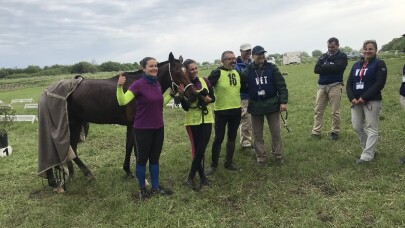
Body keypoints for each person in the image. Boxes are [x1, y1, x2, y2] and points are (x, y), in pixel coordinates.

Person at [116, 57, 173, 199]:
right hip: (142, 130)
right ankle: (142, 190)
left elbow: (159, 103)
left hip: (158, 128)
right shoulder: (138, 84)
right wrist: (119, 87)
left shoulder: (157, 84)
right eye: (151, 66)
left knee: (155, 159)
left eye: (155, 66)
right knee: (142, 160)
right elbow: (122, 101)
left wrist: (172, 94)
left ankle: (155, 187)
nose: (154, 68)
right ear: (144, 69)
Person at [240, 45, 288, 164]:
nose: (261, 56)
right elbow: (240, 85)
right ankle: (260, 156)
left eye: (263, 54)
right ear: (253, 56)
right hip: (256, 105)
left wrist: (283, 102)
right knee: (257, 133)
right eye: (258, 54)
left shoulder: (272, 68)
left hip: (272, 104)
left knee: (276, 132)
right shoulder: (248, 70)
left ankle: (278, 155)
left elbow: (281, 85)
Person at [346, 40, 387, 164]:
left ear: (375, 51)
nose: (368, 51)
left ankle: (367, 155)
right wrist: (352, 97)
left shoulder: (380, 64)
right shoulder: (356, 65)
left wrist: (364, 97)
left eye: (371, 49)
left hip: (371, 101)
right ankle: (369, 149)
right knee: (357, 126)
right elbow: (349, 83)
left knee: (371, 127)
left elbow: (379, 83)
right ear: (362, 50)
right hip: (356, 101)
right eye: (366, 49)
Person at [176, 59, 215, 190]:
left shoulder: (205, 80)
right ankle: (200, 177)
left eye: (195, 68)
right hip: (193, 119)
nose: (194, 71)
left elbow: (213, 98)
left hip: (207, 118)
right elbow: (186, 107)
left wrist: (208, 99)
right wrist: (181, 96)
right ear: (186, 71)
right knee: (198, 149)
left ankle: (192, 177)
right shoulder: (184, 85)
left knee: (202, 148)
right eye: (191, 69)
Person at [207, 51, 242, 174]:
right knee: (219, 138)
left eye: (234, 58)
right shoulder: (217, 72)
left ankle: (229, 162)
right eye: (229, 59)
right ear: (223, 61)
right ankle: (214, 165)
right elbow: (207, 85)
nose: (233, 61)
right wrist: (211, 97)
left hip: (236, 110)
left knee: (232, 137)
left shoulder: (236, 73)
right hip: (222, 111)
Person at [312, 37, 348, 140]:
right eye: (329, 47)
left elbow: (338, 68)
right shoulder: (323, 56)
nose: (330, 49)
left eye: (332, 47)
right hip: (322, 86)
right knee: (318, 110)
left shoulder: (342, 56)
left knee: (335, 111)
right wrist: (330, 66)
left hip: (335, 85)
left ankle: (334, 132)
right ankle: (316, 132)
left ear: (337, 45)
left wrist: (325, 67)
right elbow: (316, 69)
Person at [235, 43, 253, 149]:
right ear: (240, 51)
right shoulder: (237, 65)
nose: (248, 53)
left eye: (249, 51)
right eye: (246, 51)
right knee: (246, 119)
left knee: (253, 120)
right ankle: (245, 143)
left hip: (253, 95)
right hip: (244, 96)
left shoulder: (252, 62)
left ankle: (251, 139)